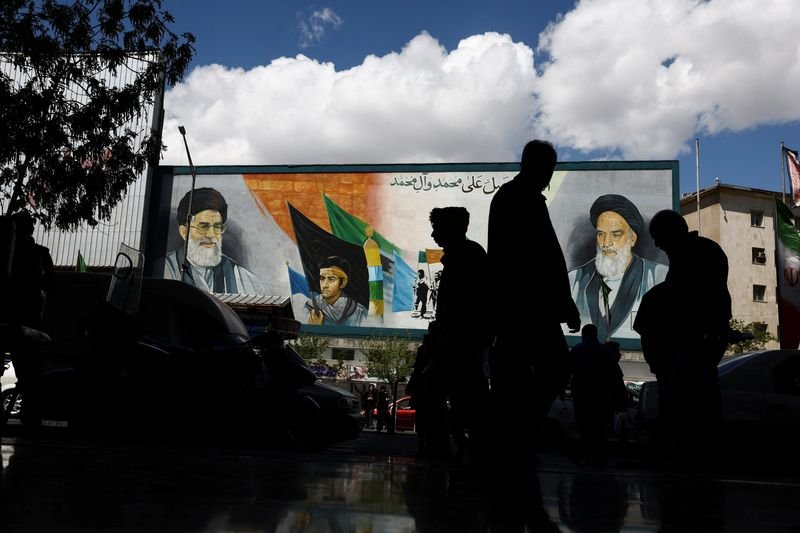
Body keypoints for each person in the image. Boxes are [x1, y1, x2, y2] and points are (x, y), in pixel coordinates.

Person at [487, 140, 581, 461]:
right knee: (551, 368)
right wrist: (562, 302)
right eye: (549, 170)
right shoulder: (521, 199)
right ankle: (516, 436)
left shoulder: (515, 197)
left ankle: (512, 437)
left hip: (523, 305)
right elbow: (541, 257)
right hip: (527, 306)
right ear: (535, 165)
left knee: (528, 372)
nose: (550, 178)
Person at [638, 209, 732, 466]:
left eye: (658, 237)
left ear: (672, 232)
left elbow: (687, 299)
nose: (657, 244)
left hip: (696, 340)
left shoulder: (693, 255)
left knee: (684, 402)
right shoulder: (696, 252)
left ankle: (685, 458)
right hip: (699, 339)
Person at [426, 206, 492, 462]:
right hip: (460, 340)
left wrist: (447, 336)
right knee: (461, 394)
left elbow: (464, 306)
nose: (433, 235)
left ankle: (457, 446)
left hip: (460, 342)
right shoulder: (466, 256)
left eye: (437, 229)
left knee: (453, 393)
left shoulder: (466, 258)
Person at [568, 194, 668, 341]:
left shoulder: (658, 276)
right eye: (601, 234)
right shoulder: (574, 279)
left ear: (632, 238)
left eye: (615, 235)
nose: (606, 243)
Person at [160, 187, 269, 295]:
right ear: (184, 232)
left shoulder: (245, 279)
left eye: (217, 227)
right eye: (203, 227)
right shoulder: (164, 270)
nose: (211, 235)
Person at [568, 324, 619, 465]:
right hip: (601, 396)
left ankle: (585, 454)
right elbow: (615, 375)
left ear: (583, 335)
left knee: (583, 427)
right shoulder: (606, 351)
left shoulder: (577, 350)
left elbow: (567, 371)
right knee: (599, 428)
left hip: (581, 394)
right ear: (596, 334)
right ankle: (599, 456)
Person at [305, 256, 367, 326]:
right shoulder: (309, 307)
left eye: (331, 279)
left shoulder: (359, 312)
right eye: (322, 278)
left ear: (343, 283)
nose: (325, 285)